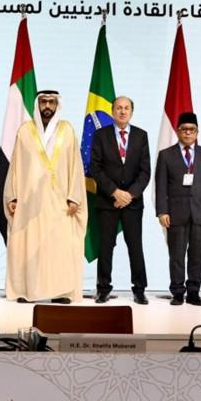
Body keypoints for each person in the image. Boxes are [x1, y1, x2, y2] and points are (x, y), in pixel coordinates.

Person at [4, 91, 86, 303]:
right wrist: (12, 196)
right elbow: (15, 166)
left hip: (60, 203)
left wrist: (74, 196)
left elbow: (76, 166)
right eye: (43, 102)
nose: (47, 106)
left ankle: (61, 292)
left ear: (58, 105)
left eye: (51, 102)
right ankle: (27, 291)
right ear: (37, 104)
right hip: (30, 204)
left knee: (59, 248)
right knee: (30, 246)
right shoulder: (25, 131)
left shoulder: (67, 130)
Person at [89, 96, 151, 305]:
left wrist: (129, 195)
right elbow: (95, 168)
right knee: (105, 246)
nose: (122, 111)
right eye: (119, 108)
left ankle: (139, 290)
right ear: (112, 111)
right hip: (107, 201)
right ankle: (103, 288)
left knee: (135, 246)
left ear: (131, 112)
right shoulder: (101, 135)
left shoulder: (141, 136)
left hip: (132, 203)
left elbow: (145, 171)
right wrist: (115, 192)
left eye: (126, 108)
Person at [155, 112, 201, 306]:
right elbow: (161, 186)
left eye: (192, 130)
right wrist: (162, 211)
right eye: (184, 129)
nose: (188, 133)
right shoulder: (166, 155)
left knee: (197, 255)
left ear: (197, 132)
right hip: (175, 214)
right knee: (176, 256)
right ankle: (177, 292)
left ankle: (193, 292)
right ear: (177, 132)